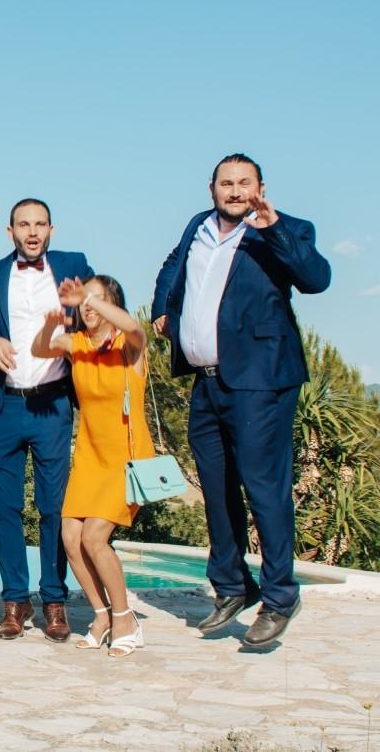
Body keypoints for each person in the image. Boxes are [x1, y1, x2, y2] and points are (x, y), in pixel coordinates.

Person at [151, 153, 330, 647]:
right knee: (216, 486)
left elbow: (316, 279)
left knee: (264, 488)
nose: (234, 191)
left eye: (244, 183)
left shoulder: (286, 228)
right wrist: (165, 309)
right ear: (211, 188)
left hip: (260, 381)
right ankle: (232, 586)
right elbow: (172, 266)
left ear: (260, 188)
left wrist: (275, 231)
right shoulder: (198, 226)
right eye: (226, 183)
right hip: (206, 382)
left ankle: (280, 596)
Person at [0, 198, 92, 642]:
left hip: (53, 406)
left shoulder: (73, 265)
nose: (32, 232)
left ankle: (54, 600)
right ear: (11, 232)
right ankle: (14, 599)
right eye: (23, 224)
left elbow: (96, 310)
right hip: (2, 406)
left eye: (40, 224)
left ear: (51, 230)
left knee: (53, 507)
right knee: (5, 507)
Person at [33, 275, 151, 657]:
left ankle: (125, 618)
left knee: (95, 538)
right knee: (70, 538)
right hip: (88, 456)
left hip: (124, 458)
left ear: (111, 303)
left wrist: (89, 298)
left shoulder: (129, 346)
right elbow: (40, 349)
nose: (87, 306)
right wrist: (52, 324)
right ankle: (102, 616)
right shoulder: (78, 344)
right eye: (84, 299)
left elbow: (133, 326)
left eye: (97, 299)